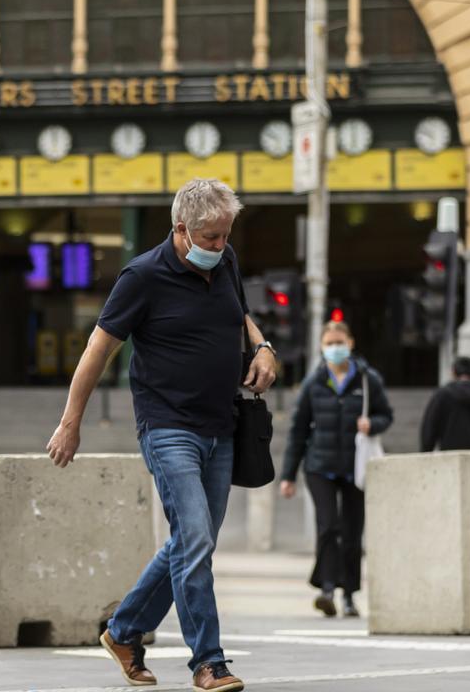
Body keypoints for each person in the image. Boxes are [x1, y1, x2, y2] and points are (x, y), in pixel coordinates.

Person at [46, 179, 276, 692]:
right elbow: (97, 350)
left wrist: (263, 348)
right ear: (181, 229)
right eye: (211, 238)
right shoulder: (142, 276)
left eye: (224, 236)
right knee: (194, 538)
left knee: (192, 543)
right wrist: (70, 421)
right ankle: (208, 662)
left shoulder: (227, 260)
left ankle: (124, 632)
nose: (220, 247)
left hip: (222, 426)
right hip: (168, 426)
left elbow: (240, 314)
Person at [280, 321, 393, 618]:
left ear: (351, 343)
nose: (334, 348)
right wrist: (288, 475)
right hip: (320, 467)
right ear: (321, 346)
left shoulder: (368, 380)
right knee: (328, 526)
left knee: (353, 533)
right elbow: (298, 430)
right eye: (329, 343)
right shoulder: (313, 381)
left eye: (339, 342)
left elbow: (386, 414)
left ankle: (350, 595)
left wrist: (374, 424)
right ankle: (327, 588)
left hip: (355, 468)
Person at [419, 356, 470, 452]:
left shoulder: (441, 396)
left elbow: (428, 432)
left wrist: (426, 452)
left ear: (453, 373)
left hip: (450, 459)